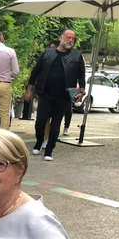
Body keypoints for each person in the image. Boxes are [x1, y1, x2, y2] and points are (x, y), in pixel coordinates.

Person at [26, 30, 85, 161]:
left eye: (73, 39)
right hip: (45, 94)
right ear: (61, 38)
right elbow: (35, 72)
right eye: (68, 37)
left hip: (63, 96)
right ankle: (39, 141)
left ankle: (49, 150)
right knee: (40, 122)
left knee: (56, 124)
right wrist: (29, 89)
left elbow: (81, 75)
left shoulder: (76, 55)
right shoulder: (48, 53)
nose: (71, 40)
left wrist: (81, 91)